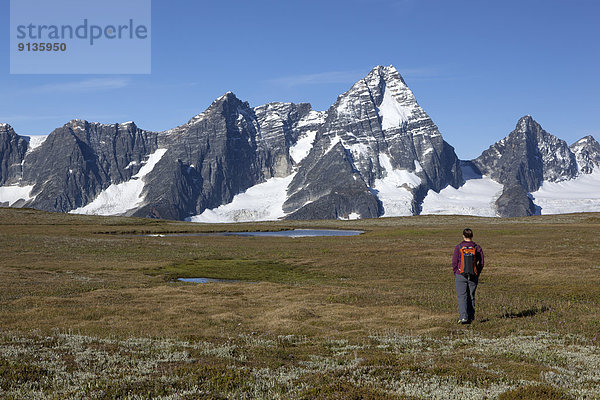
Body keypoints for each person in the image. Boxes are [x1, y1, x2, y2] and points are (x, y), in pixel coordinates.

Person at [452, 228, 484, 324]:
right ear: (472, 236)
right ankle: (471, 316)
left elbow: (454, 262)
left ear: (463, 236)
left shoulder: (459, 247)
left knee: (462, 296)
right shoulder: (477, 248)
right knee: (471, 296)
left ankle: (463, 317)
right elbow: (481, 262)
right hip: (473, 275)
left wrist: (456, 273)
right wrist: (477, 272)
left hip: (460, 275)